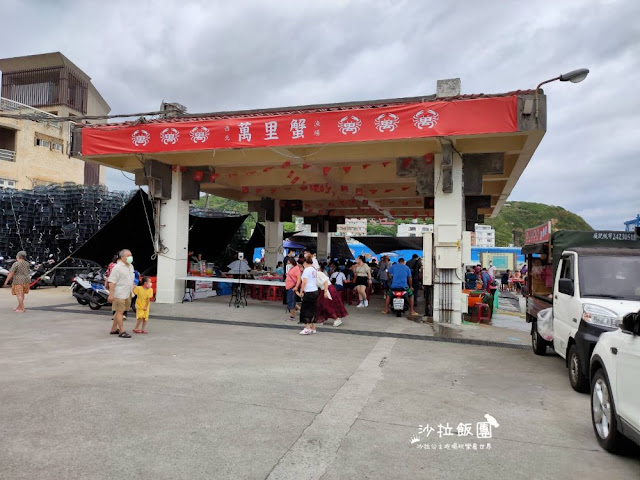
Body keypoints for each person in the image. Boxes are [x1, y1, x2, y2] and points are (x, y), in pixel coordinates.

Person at [107, 249, 135, 338]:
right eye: (128, 256)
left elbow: (131, 279)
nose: (130, 257)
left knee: (120, 311)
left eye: (131, 255)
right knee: (120, 311)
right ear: (122, 257)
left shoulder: (130, 266)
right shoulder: (117, 268)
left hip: (128, 292)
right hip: (119, 293)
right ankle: (122, 331)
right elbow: (111, 282)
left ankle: (114, 329)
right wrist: (111, 295)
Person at [297, 255, 319, 335]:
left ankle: (307, 328)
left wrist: (301, 291)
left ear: (305, 262)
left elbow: (304, 282)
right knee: (313, 309)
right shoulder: (314, 269)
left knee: (306, 309)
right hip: (315, 290)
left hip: (309, 291)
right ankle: (313, 327)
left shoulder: (306, 270)